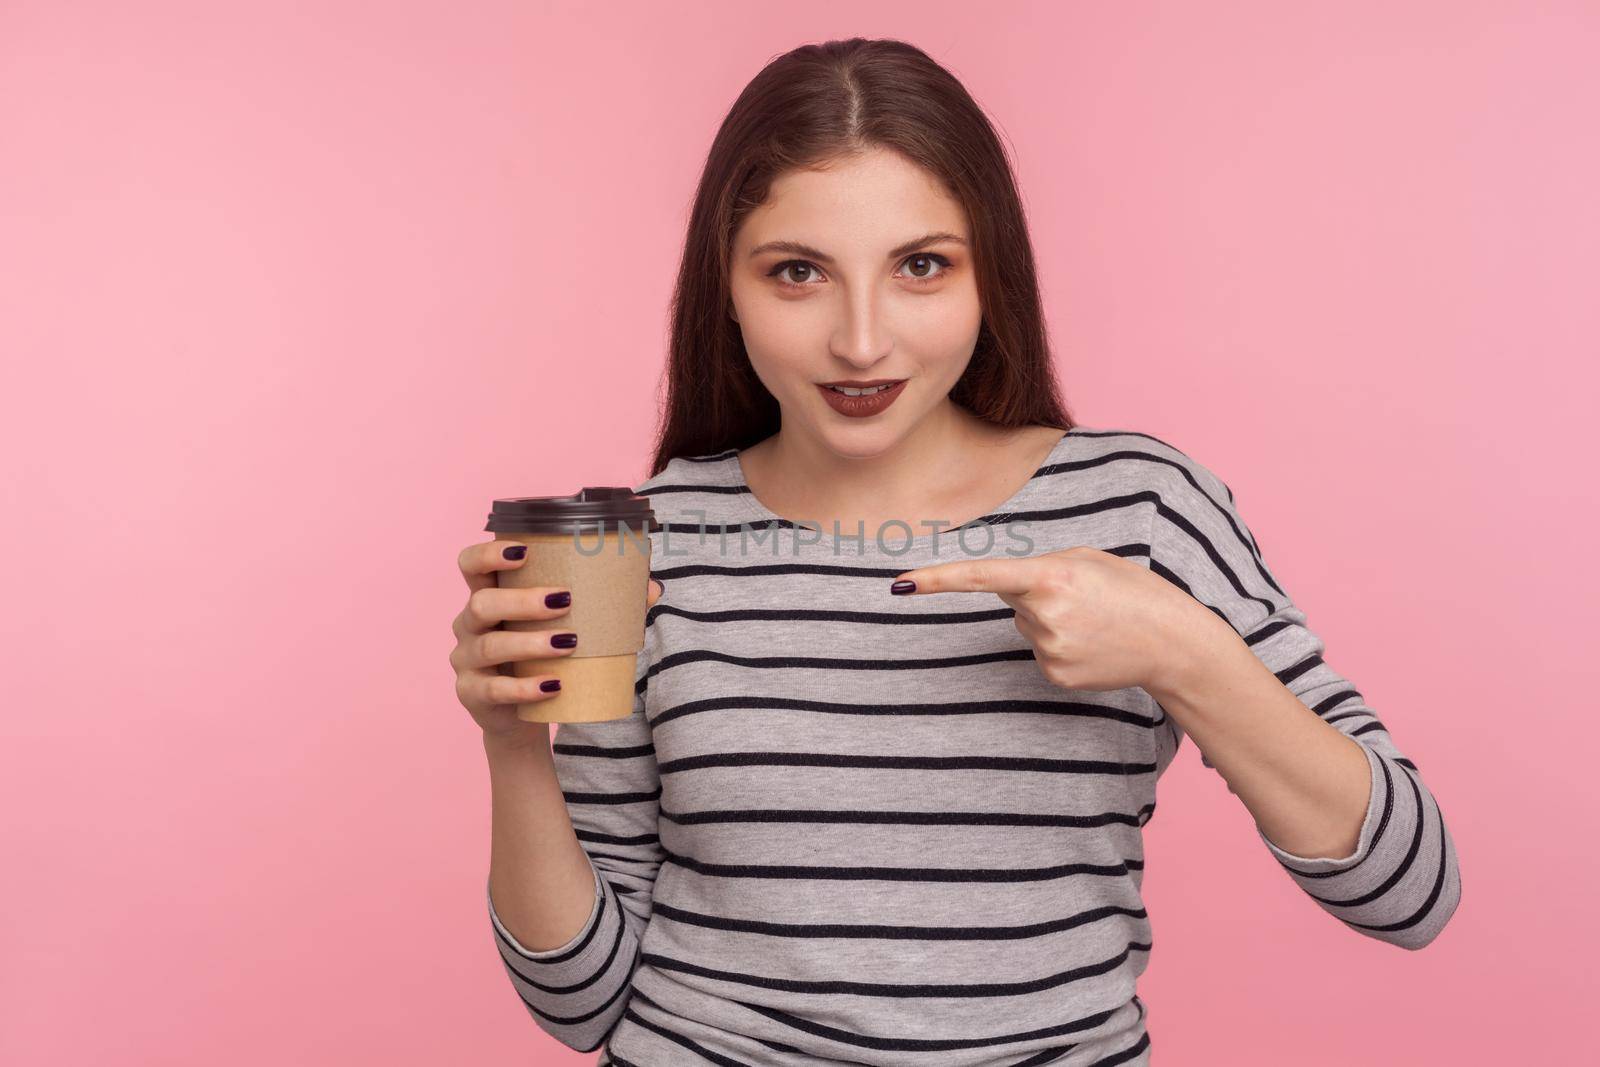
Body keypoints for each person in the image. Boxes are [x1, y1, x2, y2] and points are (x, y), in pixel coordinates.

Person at [452, 37, 1461, 1066]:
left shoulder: (1142, 506)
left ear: (992, 273)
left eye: (920, 266)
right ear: (727, 286)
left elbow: (1410, 889)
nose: (860, 340)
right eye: (797, 272)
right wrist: (510, 744)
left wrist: (1182, 650)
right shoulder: (654, 540)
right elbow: (580, 1004)